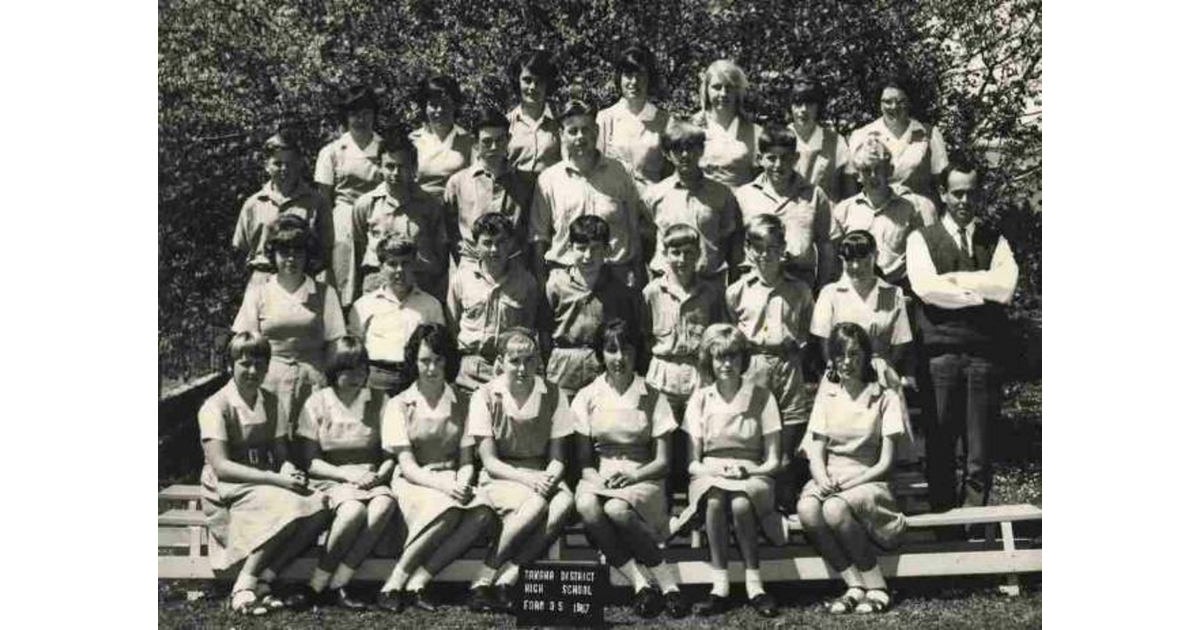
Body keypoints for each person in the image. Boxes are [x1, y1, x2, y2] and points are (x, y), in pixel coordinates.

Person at [906, 156, 1018, 511]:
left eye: (970, 193)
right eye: (957, 193)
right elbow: (927, 289)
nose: (964, 201)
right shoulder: (921, 239)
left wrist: (957, 281)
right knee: (940, 446)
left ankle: (973, 526)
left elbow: (1005, 287)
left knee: (980, 453)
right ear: (943, 194)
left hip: (984, 358)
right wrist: (980, 291)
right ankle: (946, 530)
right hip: (939, 358)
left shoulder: (995, 240)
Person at [198, 332, 330, 616]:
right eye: (245, 364)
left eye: (259, 364)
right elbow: (221, 466)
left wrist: (288, 470)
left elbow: (281, 455)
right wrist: (278, 480)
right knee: (287, 505)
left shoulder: (271, 402)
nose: (253, 371)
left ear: (268, 367)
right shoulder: (215, 407)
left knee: (319, 505)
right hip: (228, 486)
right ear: (230, 365)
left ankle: (266, 578)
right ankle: (243, 586)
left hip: (264, 480)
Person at [572, 319, 689, 619]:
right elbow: (584, 462)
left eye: (626, 350)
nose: (619, 358)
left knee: (615, 509)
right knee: (586, 505)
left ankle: (669, 585)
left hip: (644, 476)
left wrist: (632, 476)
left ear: (637, 353)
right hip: (601, 476)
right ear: (601, 354)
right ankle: (641, 585)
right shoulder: (587, 395)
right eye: (611, 350)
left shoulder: (653, 396)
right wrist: (599, 481)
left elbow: (663, 462)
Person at [377, 324, 497, 612]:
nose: (431, 369)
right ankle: (393, 583)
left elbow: (466, 460)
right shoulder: (399, 404)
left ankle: (419, 580)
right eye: (424, 361)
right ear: (414, 362)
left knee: (482, 512)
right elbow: (407, 466)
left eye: (438, 360)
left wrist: (463, 482)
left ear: (449, 361)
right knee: (450, 509)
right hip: (413, 482)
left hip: (452, 478)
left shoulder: (464, 402)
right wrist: (446, 486)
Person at [671, 324, 785, 618]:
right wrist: (718, 472)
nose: (726, 364)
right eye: (719, 357)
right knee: (714, 499)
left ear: (743, 358)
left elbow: (773, 461)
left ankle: (755, 586)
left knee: (741, 503)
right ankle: (719, 587)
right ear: (709, 360)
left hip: (753, 474)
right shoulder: (700, 399)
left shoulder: (763, 397)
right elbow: (692, 462)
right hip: (710, 473)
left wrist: (748, 472)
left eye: (733, 356)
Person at [798, 322, 908, 615]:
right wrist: (821, 478)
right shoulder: (827, 396)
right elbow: (816, 451)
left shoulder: (885, 397)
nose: (846, 362)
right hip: (830, 477)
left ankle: (877, 586)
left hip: (869, 480)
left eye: (854, 354)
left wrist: (849, 484)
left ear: (866, 356)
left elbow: (885, 463)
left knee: (834, 508)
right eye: (839, 354)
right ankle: (854, 585)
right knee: (807, 510)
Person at [465, 328, 576, 613]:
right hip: (501, 476)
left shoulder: (554, 394)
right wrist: (530, 480)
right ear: (500, 362)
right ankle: (482, 580)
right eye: (514, 361)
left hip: (541, 473)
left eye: (529, 360)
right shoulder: (484, 396)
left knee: (564, 502)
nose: (523, 368)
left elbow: (558, 458)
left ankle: (509, 577)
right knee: (537, 504)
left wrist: (548, 478)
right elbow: (489, 461)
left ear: (538, 360)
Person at [295, 336, 397, 609]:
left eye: (362, 369)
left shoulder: (380, 400)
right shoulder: (316, 403)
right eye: (348, 369)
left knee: (384, 504)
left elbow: (390, 456)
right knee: (353, 511)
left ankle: (340, 582)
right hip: (331, 479)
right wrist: (348, 476)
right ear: (334, 370)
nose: (357, 376)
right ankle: (317, 584)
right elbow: (311, 463)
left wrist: (379, 476)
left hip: (370, 480)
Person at [231, 215, 346, 450]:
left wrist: (328, 386)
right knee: (274, 448)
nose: (291, 259)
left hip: (314, 383)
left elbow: (335, 346)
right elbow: (244, 345)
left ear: (308, 255)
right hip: (268, 383)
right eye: (284, 252)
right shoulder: (258, 293)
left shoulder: (326, 293)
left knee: (310, 448)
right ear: (273, 254)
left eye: (298, 252)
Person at [725, 214, 815, 515]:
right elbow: (731, 332)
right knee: (755, 438)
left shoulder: (799, 290)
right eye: (759, 248)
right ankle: (755, 508)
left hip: (789, 364)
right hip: (753, 365)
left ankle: (785, 506)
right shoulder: (737, 291)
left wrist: (796, 353)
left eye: (773, 248)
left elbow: (806, 329)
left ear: (783, 249)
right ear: (748, 250)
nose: (766, 255)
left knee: (787, 444)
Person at [530, 97, 652, 289]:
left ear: (596, 130)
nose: (580, 137)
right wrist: (542, 283)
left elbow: (633, 228)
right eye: (573, 131)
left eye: (586, 129)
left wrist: (638, 276)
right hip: (567, 280)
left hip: (616, 278)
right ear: (562, 134)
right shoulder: (548, 180)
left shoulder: (620, 172)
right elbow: (539, 239)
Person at [545, 215, 646, 398]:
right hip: (563, 367)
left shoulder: (620, 290)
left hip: (603, 367)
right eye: (581, 248)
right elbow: (543, 331)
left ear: (607, 249)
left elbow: (630, 335)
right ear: (570, 248)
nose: (588, 256)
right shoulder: (556, 285)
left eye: (595, 248)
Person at [446, 212, 547, 392]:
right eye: (487, 243)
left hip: (509, 368)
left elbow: (529, 328)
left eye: (501, 242)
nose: (494, 249)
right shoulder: (461, 280)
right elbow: (452, 327)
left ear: (511, 243)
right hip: (469, 368)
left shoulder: (526, 282)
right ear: (476, 245)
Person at [641, 224, 729, 424]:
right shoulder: (652, 293)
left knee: (698, 434)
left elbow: (718, 336)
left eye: (688, 253)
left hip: (698, 376)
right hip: (662, 375)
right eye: (675, 253)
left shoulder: (711, 293)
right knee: (662, 433)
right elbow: (644, 336)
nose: (682, 260)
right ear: (665, 254)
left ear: (698, 254)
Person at [734, 124, 835, 288]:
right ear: (760, 159)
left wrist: (821, 288)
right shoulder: (744, 195)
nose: (778, 165)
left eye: (785, 158)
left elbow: (825, 246)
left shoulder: (814, 195)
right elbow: (734, 247)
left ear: (796, 158)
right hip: (755, 284)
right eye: (771, 158)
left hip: (800, 283)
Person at [642, 118, 741, 285]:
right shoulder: (654, 195)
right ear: (667, 154)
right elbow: (647, 237)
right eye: (678, 149)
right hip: (667, 282)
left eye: (691, 148)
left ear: (701, 150)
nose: (685, 155)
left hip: (709, 282)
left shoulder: (721, 194)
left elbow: (727, 239)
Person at [811, 230, 914, 389]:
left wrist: (882, 369)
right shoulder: (829, 294)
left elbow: (900, 342)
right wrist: (840, 371)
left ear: (876, 256)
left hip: (880, 378)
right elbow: (823, 343)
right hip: (840, 377)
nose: (856, 266)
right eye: (849, 260)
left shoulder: (893, 293)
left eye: (863, 260)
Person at [347, 234, 447, 396]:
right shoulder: (363, 306)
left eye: (405, 263)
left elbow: (439, 349)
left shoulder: (431, 305)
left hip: (416, 379)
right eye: (392, 264)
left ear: (414, 265)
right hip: (375, 379)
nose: (399, 270)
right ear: (381, 267)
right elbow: (353, 352)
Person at [352, 131, 447, 300]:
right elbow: (358, 249)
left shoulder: (430, 206)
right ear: (379, 167)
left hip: (421, 284)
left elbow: (441, 253)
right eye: (389, 166)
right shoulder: (365, 205)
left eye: (402, 166)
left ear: (414, 167)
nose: (395, 173)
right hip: (377, 284)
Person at [831, 137, 937, 287]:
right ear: (858, 176)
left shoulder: (911, 209)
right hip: (857, 289)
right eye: (866, 170)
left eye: (879, 169)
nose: (873, 176)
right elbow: (835, 260)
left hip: (901, 288)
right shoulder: (843, 211)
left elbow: (923, 255)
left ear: (890, 170)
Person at [232, 131, 331, 288]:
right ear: (266, 165)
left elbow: (325, 250)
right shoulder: (253, 204)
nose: (284, 169)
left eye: (290, 163)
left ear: (300, 163)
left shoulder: (317, 202)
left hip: (301, 281)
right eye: (277, 163)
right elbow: (240, 249)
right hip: (262, 281)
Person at [315, 85, 385, 304]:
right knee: (344, 275)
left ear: (374, 114)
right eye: (354, 114)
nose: (360, 120)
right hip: (343, 219)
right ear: (346, 117)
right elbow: (324, 199)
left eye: (366, 113)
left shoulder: (384, 148)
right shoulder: (332, 151)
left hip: (379, 215)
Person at [444, 107, 536, 269]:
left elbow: (531, 230)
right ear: (475, 143)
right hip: (472, 267)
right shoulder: (458, 183)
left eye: (499, 140)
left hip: (514, 268)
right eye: (487, 141)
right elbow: (450, 231)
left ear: (508, 139)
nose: (494, 147)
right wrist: (464, 262)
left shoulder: (525, 182)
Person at [847, 77, 948, 206]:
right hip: (878, 213)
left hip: (920, 212)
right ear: (879, 103)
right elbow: (852, 184)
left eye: (901, 102)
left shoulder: (929, 134)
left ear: (909, 102)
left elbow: (941, 182)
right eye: (887, 102)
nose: (894, 107)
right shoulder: (862, 135)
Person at [597, 45, 671, 189]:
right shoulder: (605, 118)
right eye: (628, 75)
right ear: (620, 78)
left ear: (650, 78)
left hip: (651, 200)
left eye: (641, 74)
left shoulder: (664, 121)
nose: (634, 82)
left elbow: (670, 176)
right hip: (615, 198)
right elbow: (597, 170)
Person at [693, 60, 762, 188]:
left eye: (730, 87)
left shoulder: (756, 133)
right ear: (706, 90)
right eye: (717, 87)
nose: (723, 94)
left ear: (738, 91)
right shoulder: (692, 130)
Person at [788, 76, 855, 204]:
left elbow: (850, 195)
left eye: (810, 104)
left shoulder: (836, 142)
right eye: (798, 103)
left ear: (819, 106)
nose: (803, 110)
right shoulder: (779, 140)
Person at [411, 75, 475, 200]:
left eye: (445, 104)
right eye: (433, 105)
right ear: (425, 108)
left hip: (457, 206)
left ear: (455, 105)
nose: (439, 110)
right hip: (420, 207)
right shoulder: (413, 141)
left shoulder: (469, 141)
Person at [506, 50, 562, 175]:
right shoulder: (507, 123)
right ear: (517, 82)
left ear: (548, 84)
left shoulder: (560, 124)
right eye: (527, 80)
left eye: (539, 81)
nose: (533, 87)